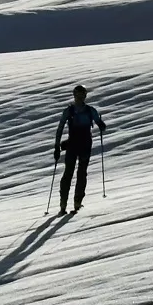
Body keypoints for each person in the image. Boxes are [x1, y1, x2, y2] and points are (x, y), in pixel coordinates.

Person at [51, 85, 107, 215]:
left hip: (73, 145)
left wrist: (57, 147)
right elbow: (100, 125)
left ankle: (63, 204)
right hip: (85, 145)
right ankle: (76, 203)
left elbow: (59, 129)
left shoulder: (69, 111)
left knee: (69, 173)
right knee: (81, 173)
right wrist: (101, 125)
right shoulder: (90, 110)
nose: (80, 98)